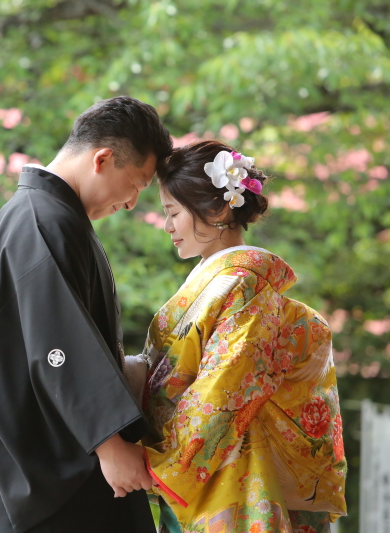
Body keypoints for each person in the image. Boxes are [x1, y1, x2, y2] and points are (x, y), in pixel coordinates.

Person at [0, 96, 173, 533]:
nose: (132, 203)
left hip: (32, 450)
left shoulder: (51, 216)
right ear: (102, 159)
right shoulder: (41, 218)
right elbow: (57, 343)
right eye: (137, 184)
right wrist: (109, 444)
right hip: (9, 461)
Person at [134, 140, 347, 532]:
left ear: (217, 210)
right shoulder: (220, 280)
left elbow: (226, 387)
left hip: (228, 470)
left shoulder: (242, 283)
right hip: (205, 471)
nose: (167, 226)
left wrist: (163, 464)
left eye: (173, 212)